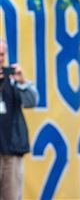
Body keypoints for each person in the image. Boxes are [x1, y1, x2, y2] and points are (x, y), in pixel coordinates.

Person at [0, 39, 38, 200]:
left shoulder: (12, 80)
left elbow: (32, 101)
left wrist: (22, 81)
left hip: (11, 152)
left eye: (1, 54)